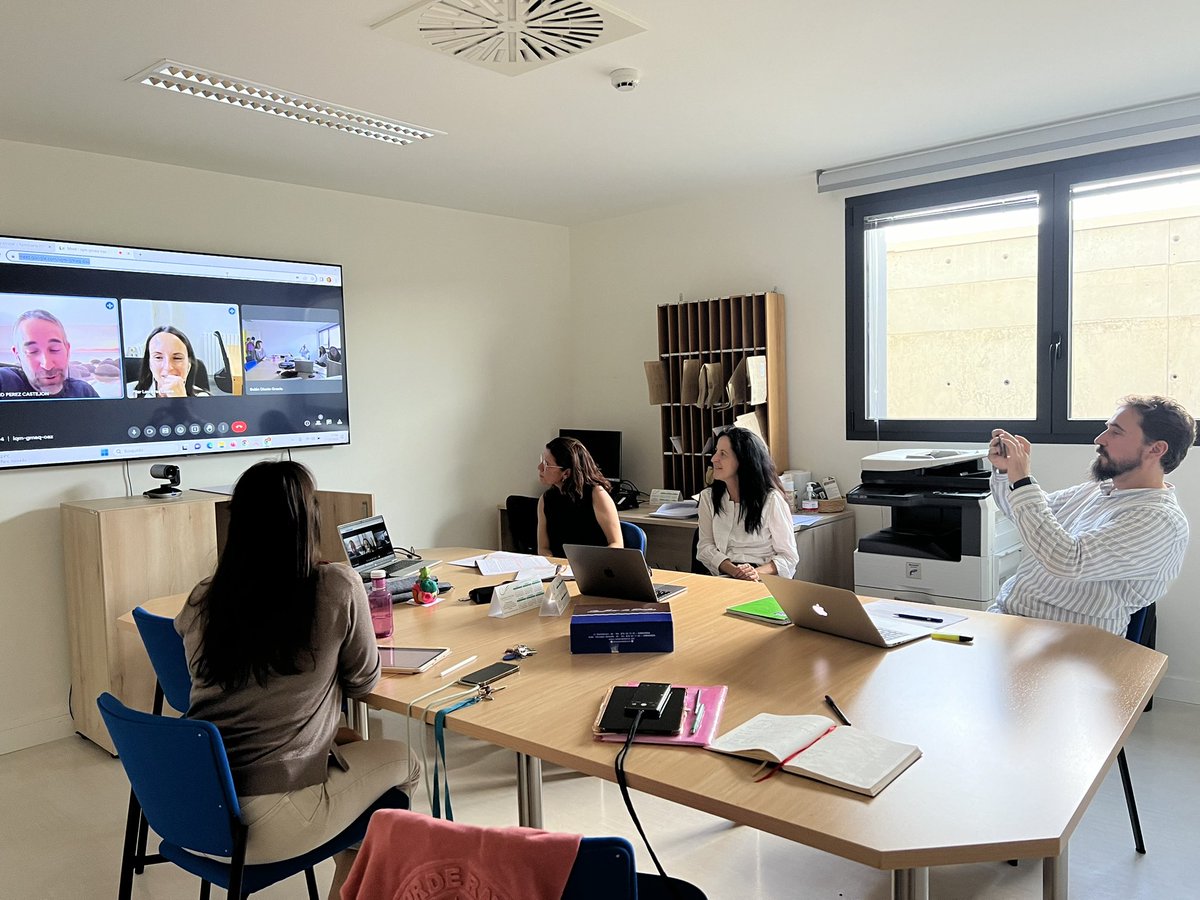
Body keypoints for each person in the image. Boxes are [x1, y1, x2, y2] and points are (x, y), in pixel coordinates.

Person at [175, 461, 418, 898]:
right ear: (309, 519)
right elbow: (364, 681)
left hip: (194, 811)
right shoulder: (335, 585)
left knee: (349, 746)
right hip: (270, 822)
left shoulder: (204, 597)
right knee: (406, 763)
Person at [988, 394, 1194, 636]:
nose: (1099, 439)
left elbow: (1068, 560)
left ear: (1156, 449)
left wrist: (1022, 480)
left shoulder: (1158, 520)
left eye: (1115, 432)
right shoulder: (1098, 491)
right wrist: (1006, 471)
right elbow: (1030, 516)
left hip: (1072, 642)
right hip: (1012, 622)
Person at [696, 427, 799, 581]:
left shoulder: (771, 500)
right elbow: (705, 548)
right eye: (716, 451)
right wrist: (734, 571)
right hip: (724, 575)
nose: (713, 459)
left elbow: (788, 557)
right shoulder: (708, 498)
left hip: (762, 578)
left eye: (723, 454)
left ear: (743, 460)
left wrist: (754, 573)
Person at [537, 436, 623, 557]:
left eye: (547, 464)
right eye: (542, 460)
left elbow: (617, 544)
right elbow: (543, 548)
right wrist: (554, 566)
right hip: (561, 571)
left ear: (566, 473)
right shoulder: (545, 499)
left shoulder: (597, 494)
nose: (540, 467)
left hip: (594, 568)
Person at [1, 309, 99, 398]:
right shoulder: (6, 382)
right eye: (32, 351)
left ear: (67, 350)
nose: (47, 365)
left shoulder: (84, 393)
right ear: (17, 355)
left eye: (54, 349)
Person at [131, 325, 210, 397]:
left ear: (188, 366)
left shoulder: (203, 399)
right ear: (149, 364)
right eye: (158, 357)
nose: (168, 367)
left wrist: (181, 400)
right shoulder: (129, 393)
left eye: (177, 358)